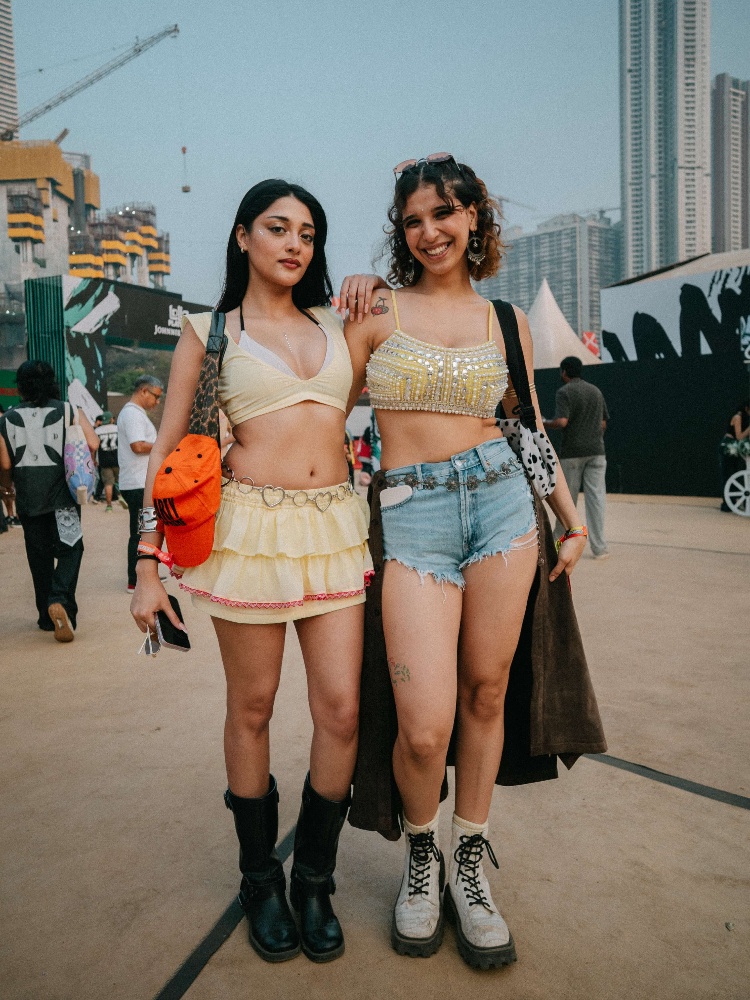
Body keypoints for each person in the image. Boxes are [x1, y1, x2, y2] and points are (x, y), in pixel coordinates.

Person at [344, 155, 594, 970]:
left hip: (500, 509)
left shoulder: (507, 319)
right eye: (414, 219)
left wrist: (568, 515)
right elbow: (317, 405)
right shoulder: (375, 310)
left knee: (489, 692)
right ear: (401, 231)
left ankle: (471, 867)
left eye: (445, 214)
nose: (430, 231)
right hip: (411, 516)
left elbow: (523, 429)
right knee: (423, 729)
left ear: (476, 218)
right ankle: (423, 854)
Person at [130, 179, 382, 964]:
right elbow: (169, 450)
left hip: (336, 528)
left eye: (308, 231)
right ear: (243, 237)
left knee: (340, 711)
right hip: (250, 533)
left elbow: (418, 315)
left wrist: (378, 289)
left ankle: (312, 878)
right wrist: (147, 564)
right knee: (255, 705)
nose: (294, 243)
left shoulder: (339, 325)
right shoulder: (210, 332)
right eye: (277, 227)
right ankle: (257, 880)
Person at [0, 360, 98, 640]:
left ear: (19, 386)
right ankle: (61, 601)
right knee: (71, 549)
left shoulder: (6, 419)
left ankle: (46, 617)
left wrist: (7, 489)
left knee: (38, 557)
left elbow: (5, 464)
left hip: (29, 502)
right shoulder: (69, 410)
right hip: (63, 500)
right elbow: (92, 443)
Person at [543, 356, 610, 559]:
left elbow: (562, 421)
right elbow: (603, 424)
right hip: (597, 452)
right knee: (596, 500)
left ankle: (557, 545)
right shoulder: (595, 391)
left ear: (564, 372)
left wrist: (545, 423)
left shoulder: (565, 392)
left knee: (566, 502)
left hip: (572, 453)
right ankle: (600, 548)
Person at [117, 376, 163, 593]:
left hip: (140, 482)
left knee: (147, 529)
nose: (157, 402)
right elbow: (137, 445)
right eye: (156, 396)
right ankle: (133, 580)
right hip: (137, 483)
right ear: (144, 391)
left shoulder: (135, 413)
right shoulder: (132, 414)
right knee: (140, 531)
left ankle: (145, 575)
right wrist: (163, 447)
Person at [720, 399, 750, 511]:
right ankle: (727, 503)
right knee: (727, 474)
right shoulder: (738, 417)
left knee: (734, 472)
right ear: (746, 408)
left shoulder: (745, 418)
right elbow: (739, 436)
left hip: (735, 448)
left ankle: (733, 501)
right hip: (728, 446)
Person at [94, 411, 120, 512]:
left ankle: (109, 506)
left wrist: (94, 459)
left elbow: (94, 447)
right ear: (111, 419)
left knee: (108, 484)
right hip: (117, 459)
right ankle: (122, 498)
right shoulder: (118, 428)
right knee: (120, 481)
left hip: (104, 460)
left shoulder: (97, 431)